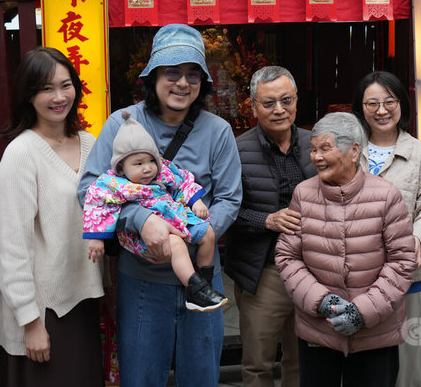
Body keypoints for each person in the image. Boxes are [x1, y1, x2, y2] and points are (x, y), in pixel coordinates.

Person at [78, 23, 242, 387]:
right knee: (141, 377)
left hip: (202, 278)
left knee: (201, 377)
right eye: (172, 72)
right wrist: (140, 219)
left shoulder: (217, 131)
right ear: (152, 77)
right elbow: (90, 187)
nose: (183, 83)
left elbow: (230, 196)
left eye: (192, 74)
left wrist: (193, 233)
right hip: (142, 281)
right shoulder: (122, 122)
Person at [0, 47, 104, 387]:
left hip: (83, 299)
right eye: (45, 88)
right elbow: (9, 246)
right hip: (44, 309)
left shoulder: (90, 143)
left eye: (65, 85)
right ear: (28, 95)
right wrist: (29, 320)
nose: (58, 97)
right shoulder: (22, 153)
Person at [276, 112, 417, 387]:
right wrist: (322, 302)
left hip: (375, 332)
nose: (316, 157)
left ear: (354, 150)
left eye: (324, 148)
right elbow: (287, 257)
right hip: (319, 329)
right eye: (313, 149)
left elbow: (402, 261)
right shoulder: (303, 194)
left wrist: (360, 312)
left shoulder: (386, 195)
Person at [351, 71, 421, 387]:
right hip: (358, 280)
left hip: (410, 278)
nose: (381, 110)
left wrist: (417, 241)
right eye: (372, 103)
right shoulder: (347, 152)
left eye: (389, 101)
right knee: (365, 365)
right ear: (360, 108)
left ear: (400, 104)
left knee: (412, 364)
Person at [225, 65, 316, 387]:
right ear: (252, 106)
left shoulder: (315, 142)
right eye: (268, 103)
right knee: (258, 363)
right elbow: (223, 212)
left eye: (286, 100)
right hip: (265, 272)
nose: (279, 110)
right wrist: (266, 220)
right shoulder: (236, 150)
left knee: (303, 361)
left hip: (314, 270)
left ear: (296, 101)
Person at [83, 111, 227, 312]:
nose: (148, 168)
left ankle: (204, 283)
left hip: (175, 217)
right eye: (138, 164)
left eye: (151, 161)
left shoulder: (163, 171)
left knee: (208, 233)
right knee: (176, 244)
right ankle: (194, 289)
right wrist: (97, 238)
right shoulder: (113, 183)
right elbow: (96, 202)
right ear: (122, 167)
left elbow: (183, 180)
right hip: (139, 234)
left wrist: (196, 202)